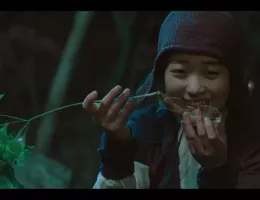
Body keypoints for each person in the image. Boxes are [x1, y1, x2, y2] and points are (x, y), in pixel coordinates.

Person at [83, 11, 260, 189]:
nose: (194, 88)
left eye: (211, 73)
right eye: (180, 72)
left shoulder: (252, 147)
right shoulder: (144, 128)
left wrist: (216, 170)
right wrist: (117, 146)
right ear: (162, 77)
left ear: (232, 80)